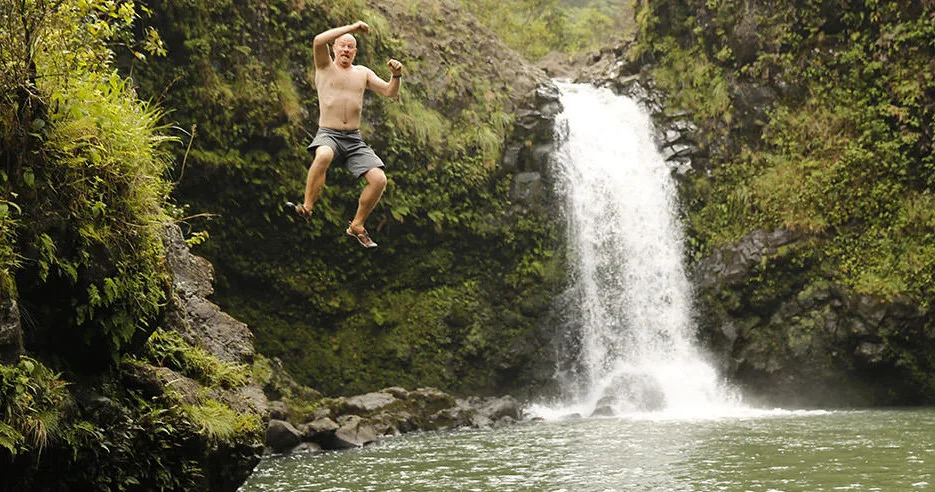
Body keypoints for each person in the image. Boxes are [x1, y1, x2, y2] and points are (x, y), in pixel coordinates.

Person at [287, 21, 402, 248]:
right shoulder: (324, 66)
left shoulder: (363, 73)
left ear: (355, 52)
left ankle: (357, 225)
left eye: (351, 47)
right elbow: (318, 40)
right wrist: (352, 27)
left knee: (379, 180)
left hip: (353, 139)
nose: (347, 50)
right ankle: (307, 208)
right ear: (334, 48)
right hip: (329, 133)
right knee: (323, 156)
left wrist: (396, 76)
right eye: (343, 46)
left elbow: (389, 92)